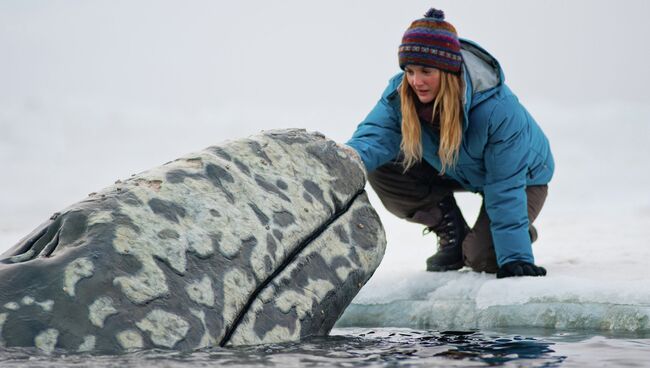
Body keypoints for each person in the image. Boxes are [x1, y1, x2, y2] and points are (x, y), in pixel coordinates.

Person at [345, 8, 554, 278]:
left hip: (523, 178)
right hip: (457, 166)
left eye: (425, 71)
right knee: (382, 165)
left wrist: (515, 257)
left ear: (448, 71)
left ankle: (513, 233)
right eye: (409, 70)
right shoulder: (401, 93)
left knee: (481, 258)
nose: (415, 81)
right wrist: (341, 164)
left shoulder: (498, 110)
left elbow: (505, 187)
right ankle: (451, 231)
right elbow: (373, 138)